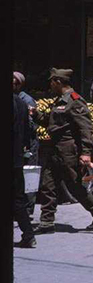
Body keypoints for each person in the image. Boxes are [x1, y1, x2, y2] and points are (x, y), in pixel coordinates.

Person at [31, 68, 93, 233]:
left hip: (68, 149)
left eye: (51, 81)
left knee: (74, 185)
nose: (50, 84)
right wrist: (36, 115)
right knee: (48, 185)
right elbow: (52, 123)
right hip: (54, 148)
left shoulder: (75, 100)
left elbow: (85, 128)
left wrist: (86, 152)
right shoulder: (59, 101)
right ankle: (47, 222)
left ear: (58, 81)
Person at [13, 71, 39, 219]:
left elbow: (30, 125)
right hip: (19, 143)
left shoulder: (26, 100)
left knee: (29, 176)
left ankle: (28, 209)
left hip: (28, 143)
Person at [13, 94, 36, 248]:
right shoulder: (20, 102)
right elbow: (29, 129)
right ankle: (28, 235)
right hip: (16, 157)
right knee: (18, 199)